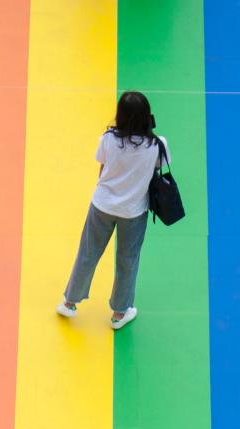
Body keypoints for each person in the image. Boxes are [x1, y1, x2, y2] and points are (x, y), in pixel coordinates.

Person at [57, 90, 165, 331]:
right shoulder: (157, 145)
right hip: (134, 212)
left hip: (102, 206)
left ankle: (69, 301)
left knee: (88, 253)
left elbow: (102, 170)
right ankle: (119, 312)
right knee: (127, 260)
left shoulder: (108, 139)